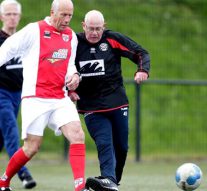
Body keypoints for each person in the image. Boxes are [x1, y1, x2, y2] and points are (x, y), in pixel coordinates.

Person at [0, 0, 88, 191]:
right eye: (63, 15)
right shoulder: (34, 30)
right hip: (35, 98)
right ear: (52, 12)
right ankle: (4, 180)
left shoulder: (71, 36)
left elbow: (70, 64)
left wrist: (74, 76)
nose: (67, 20)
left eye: (70, 15)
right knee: (31, 148)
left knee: (77, 135)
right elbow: (7, 49)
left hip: (59, 98)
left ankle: (80, 187)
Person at [70, 10, 150, 191]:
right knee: (104, 142)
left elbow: (140, 53)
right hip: (91, 105)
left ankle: (111, 181)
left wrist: (142, 70)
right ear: (84, 26)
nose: (94, 33)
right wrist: (69, 89)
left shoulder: (112, 39)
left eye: (98, 29)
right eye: (91, 28)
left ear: (103, 27)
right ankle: (108, 178)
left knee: (121, 147)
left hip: (117, 102)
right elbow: (60, 66)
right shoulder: (74, 43)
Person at [0, 0, 36, 189]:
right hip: (1, 93)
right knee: (12, 131)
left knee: (1, 136)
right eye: (8, 14)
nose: (12, 17)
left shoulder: (23, 39)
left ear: (20, 16)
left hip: (18, 94)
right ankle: (23, 174)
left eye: (15, 14)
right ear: (1, 17)